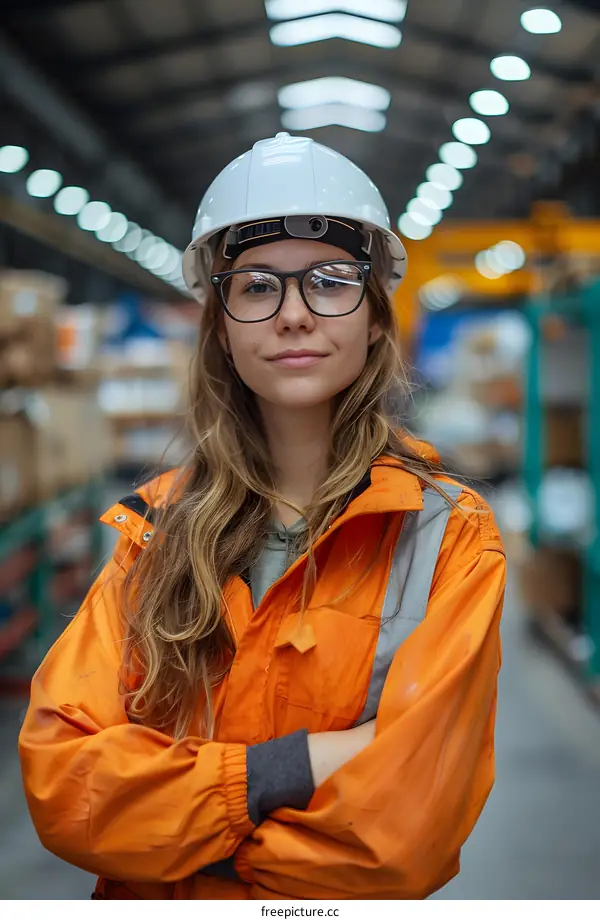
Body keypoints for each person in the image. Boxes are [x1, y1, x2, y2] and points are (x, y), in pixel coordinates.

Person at [19, 132, 505, 901]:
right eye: (257, 287)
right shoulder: (154, 528)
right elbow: (62, 786)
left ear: (376, 317)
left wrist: (178, 842)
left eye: (332, 281)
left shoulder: (447, 534)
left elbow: (403, 836)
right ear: (221, 325)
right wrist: (301, 764)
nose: (294, 316)